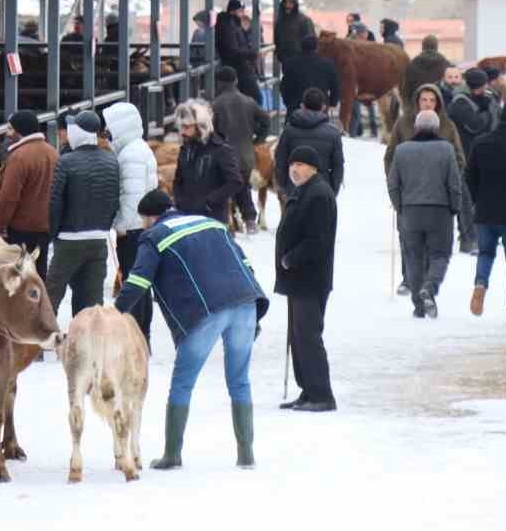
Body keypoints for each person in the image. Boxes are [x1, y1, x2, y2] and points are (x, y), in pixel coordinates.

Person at [114, 189, 269, 470]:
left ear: (150, 218)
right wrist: (255, 316)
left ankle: (172, 454)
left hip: (205, 312)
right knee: (239, 381)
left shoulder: (153, 236)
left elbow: (138, 281)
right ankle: (246, 454)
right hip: (245, 302)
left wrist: (114, 314)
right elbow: (245, 265)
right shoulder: (211, 223)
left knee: (183, 383)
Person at [384, 82, 469, 288]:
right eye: (424, 99)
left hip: (438, 193)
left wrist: (451, 183)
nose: (428, 103)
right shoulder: (404, 124)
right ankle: (409, 279)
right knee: (408, 239)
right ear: (417, 101)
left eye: (432, 100)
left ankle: (427, 283)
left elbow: (459, 158)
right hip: (409, 192)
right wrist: (395, 182)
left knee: (435, 243)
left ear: (438, 102)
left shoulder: (447, 125)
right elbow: (390, 156)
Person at [276, 146, 338, 412]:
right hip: (296, 279)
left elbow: (318, 240)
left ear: (313, 168)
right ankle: (308, 390)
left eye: (301, 164)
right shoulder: (302, 191)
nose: (294, 169)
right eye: (292, 164)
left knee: (309, 336)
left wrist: (291, 258)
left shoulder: (319, 194)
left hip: (310, 278)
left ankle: (322, 395)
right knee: (298, 337)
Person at [387, 110, 463, 319]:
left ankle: (419, 306)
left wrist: (399, 206)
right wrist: (455, 207)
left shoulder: (402, 151)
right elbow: (454, 183)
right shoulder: (447, 149)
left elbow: (393, 183)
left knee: (413, 258)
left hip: (410, 212)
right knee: (440, 255)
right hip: (439, 211)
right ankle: (429, 287)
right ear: (437, 128)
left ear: (416, 128)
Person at [46, 111, 121, 316]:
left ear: (76, 132)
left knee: (52, 294)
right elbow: (114, 199)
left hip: (69, 238)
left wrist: (53, 233)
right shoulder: (111, 160)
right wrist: (104, 226)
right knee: (91, 300)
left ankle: (36, 346)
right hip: (98, 239)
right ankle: (88, 342)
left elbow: (55, 203)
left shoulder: (67, 161)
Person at [465, 102, 506, 324]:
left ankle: (480, 284)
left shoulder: (481, 143)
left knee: (485, 254)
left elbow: (470, 177)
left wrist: (477, 200)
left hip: (485, 210)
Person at [104, 101, 158, 342]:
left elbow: (132, 196)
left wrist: (121, 226)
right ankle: (141, 333)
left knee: (134, 282)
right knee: (141, 283)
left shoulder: (130, 155)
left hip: (134, 229)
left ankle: (137, 333)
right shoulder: (136, 149)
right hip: (141, 226)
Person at [0, 110, 57, 263]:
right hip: (45, 229)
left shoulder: (18, 157)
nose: (7, 134)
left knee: (17, 277)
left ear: (20, 130)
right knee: (38, 274)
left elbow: (9, 197)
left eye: (10, 129)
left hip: (19, 231)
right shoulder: (53, 153)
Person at [211, 66, 268, 234]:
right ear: (236, 81)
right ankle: (250, 220)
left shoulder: (215, 105)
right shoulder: (249, 101)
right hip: (246, 156)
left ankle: (230, 222)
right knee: (242, 186)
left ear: (219, 83)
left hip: (223, 155)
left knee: (225, 188)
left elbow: (210, 130)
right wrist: (258, 139)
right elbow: (265, 118)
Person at [171, 99, 244, 224]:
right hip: (186, 218)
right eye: (181, 127)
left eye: (187, 127)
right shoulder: (186, 149)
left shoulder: (221, 149)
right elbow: (178, 180)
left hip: (212, 220)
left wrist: (209, 202)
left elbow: (235, 182)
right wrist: (179, 202)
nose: (182, 132)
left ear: (200, 125)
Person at [274, 87, 344, 196]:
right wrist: (332, 191)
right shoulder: (333, 133)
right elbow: (338, 166)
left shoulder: (289, 131)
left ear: (302, 106)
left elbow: (280, 161)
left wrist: (286, 186)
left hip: (295, 189)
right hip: (323, 190)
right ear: (323, 107)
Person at [279, 34, 339, 123]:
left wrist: (289, 103)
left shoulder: (290, 63)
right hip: (320, 109)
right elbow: (335, 87)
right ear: (317, 48)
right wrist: (331, 103)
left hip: (295, 109)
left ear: (301, 47)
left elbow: (284, 87)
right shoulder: (327, 64)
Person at [446, 67, 499, 157]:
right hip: (467, 151)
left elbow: (498, 117)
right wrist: (487, 112)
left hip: (486, 147)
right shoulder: (460, 102)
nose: (486, 88)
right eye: (483, 85)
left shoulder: (486, 96)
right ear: (476, 87)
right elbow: (474, 125)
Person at [214, 0, 259, 99]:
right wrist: (251, 54)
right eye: (241, 10)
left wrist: (246, 31)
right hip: (238, 67)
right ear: (233, 11)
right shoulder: (228, 26)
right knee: (256, 97)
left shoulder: (233, 24)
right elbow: (232, 50)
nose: (243, 13)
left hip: (240, 66)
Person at [401, 35, 450, 101]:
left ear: (423, 47)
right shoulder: (446, 65)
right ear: (436, 47)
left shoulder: (411, 65)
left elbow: (406, 91)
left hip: (417, 105)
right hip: (439, 105)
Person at [272, 0, 314, 68]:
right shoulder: (280, 22)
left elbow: (311, 41)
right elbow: (277, 40)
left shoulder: (304, 20)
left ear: (295, 5)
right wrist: (279, 54)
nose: (288, 6)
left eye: (291, 3)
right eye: (286, 3)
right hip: (285, 61)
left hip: (301, 62)